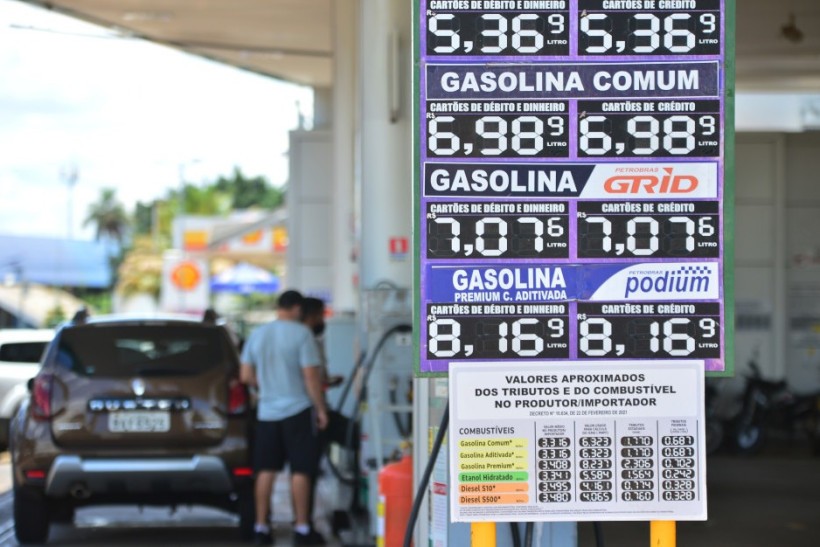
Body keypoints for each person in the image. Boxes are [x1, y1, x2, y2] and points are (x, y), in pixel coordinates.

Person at [240, 290, 327, 546]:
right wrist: (320, 409)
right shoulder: (302, 334)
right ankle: (301, 528)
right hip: (298, 410)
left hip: (267, 412)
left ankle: (261, 527)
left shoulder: (258, 334)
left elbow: (245, 376)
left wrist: (266, 386)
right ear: (298, 308)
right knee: (301, 470)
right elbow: (311, 377)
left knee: (265, 470)